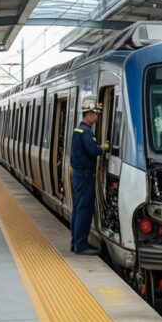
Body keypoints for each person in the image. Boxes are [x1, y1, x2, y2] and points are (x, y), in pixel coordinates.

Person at [69, 97, 109, 255]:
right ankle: (81, 245)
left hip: (79, 175)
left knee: (78, 209)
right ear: (89, 114)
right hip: (85, 176)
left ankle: (75, 242)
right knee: (85, 209)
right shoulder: (86, 132)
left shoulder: (78, 129)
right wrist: (103, 148)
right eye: (96, 114)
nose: (97, 117)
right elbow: (93, 151)